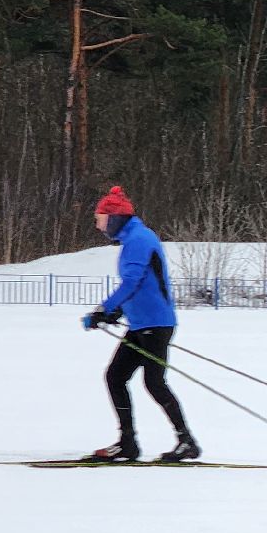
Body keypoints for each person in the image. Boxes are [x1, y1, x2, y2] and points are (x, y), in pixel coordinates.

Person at [79, 185, 201, 464]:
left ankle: (186, 441)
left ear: (115, 218)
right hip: (141, 324)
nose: (99, 227)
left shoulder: (139, 239)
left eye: (100, 220)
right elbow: (140, 284)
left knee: (154, 383)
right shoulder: (133, 238)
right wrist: (115, 312)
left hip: (155, 324)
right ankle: (128, 443)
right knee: (116, 377)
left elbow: (133, 281)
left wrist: (104, 308)